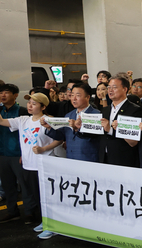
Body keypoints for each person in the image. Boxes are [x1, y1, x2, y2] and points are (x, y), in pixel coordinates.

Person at [0, 93, 62, 239]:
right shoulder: (23, 120)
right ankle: (44, 221)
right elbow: (2, 122)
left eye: (34, 103)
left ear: (43, 106)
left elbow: (59, 139)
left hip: (44, 164)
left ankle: (52, 225)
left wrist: (43, 149)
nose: (30, 105)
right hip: (28, 165)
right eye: (29, 103)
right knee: (36, 196)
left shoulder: (49, 120)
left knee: (47, 196)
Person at [42, 82, 100, 162]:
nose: (74, 98)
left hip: (88, 159)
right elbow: (61, 136)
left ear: (87, 97)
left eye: (78, 95)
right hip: (70, 158)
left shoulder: (95, 115)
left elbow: (94, 136)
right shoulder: (69, 115)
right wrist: (49, 127)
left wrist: (77, 129)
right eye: (72, 95)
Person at [0, 84, 30, 224]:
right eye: (1, 93)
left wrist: (24, 153)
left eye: (6, 92)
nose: (3, 95)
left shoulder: (22, 111)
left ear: (15, 95)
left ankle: (30, 213)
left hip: (18, 154)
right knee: (8, 186)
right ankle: (12, 212)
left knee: (25, 186)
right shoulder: (0, 110)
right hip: (2, 154)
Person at [99, 76, 142, 167]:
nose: (110, 90)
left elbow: (133, 141)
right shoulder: (106, 109)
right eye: (109, 87)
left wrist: (111, 130)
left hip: (123, 159)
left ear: (125, 89)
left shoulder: (134, 110)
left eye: (114, 87)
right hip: (104, 158)